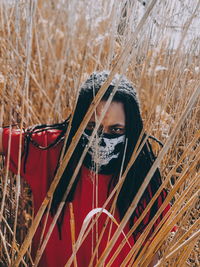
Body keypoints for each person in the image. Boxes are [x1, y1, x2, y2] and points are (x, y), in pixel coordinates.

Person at [0, 71, 170, 266]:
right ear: (78, 123)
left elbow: (151, 257)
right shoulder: (49, 150)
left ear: (130, 130)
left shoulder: (141, 178)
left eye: (116, 130)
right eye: (91, 127)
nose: (101, 139)